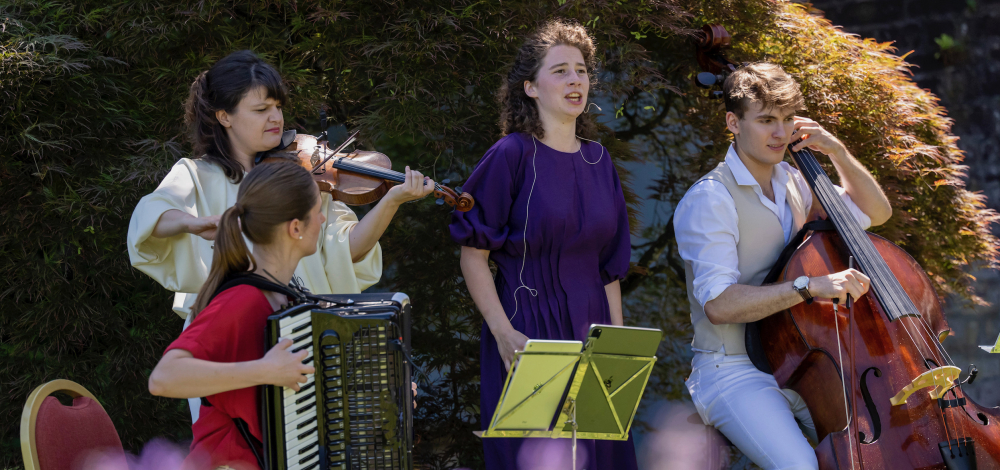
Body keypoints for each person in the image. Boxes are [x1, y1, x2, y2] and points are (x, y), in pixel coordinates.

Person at [127, 50, 433, 420]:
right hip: (234, 341)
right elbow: (152, 217)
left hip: (301, 334)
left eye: (277, 107)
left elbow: (346, 249)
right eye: (260, 110)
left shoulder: (302, 176)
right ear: (224, 116)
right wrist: (194, 222)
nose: (275, 118)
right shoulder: (197, 174)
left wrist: (392, 200)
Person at [673, 63, 892, 469]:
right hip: (731, 369)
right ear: (733, 122)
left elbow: (874, 212)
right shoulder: (711, 199)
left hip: (800, 362)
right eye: (766, 120)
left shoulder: (794, 180)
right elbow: (719, 305)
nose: (780, 133)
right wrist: (810, 286)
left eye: (788, 119)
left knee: (877, 454)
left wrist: (837, 151)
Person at [450, 20, 636, 469]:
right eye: (560, 71)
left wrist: (618, 350)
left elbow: (608, 268)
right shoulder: (510, 154)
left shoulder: (599, 158)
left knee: (603, 460)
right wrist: (501, 332)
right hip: (527, 333)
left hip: (594, 330)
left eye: (581, 70)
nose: (576, 80)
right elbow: (473, 253)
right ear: (530, 88)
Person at [148, 161, 323, 470]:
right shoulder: (243, 300)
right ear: (295, 228)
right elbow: (163, 379)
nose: (322, 219)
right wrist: (265, 370)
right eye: (318, 211)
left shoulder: (281, 295)